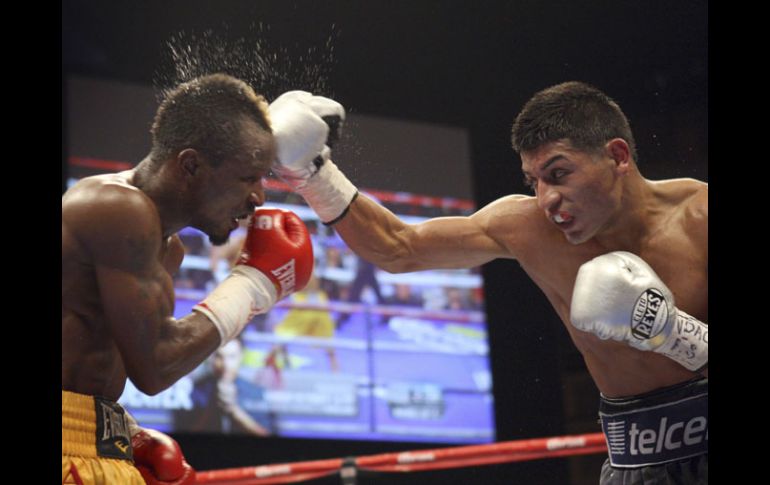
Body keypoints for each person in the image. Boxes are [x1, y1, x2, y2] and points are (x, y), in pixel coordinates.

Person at [265, 84, 708, 483]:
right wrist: (312, 174)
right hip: (635, 465)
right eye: (533, 181)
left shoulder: (699, 218)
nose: (547, 199)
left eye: (558, 174)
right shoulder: (528, 227)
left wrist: (678, 336)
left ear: (617, 156)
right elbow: (399, 247)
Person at [62, 74, 314, 484]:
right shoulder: (114, 207)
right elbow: (156, 366)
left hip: (94, 447)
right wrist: (254, 283)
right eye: (248, 177)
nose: (259, 197)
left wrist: (124, 432)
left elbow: (92, 357)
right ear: (192, 165)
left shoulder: (168, 247)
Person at [177, 337, 272, 436]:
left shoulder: (255, 392)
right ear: (211, 358)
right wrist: (213, 404)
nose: (225, 365)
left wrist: (233, 410)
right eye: (219, 357)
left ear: (241, 357)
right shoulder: (194, 390)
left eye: (232, 357)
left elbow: (266, 436)